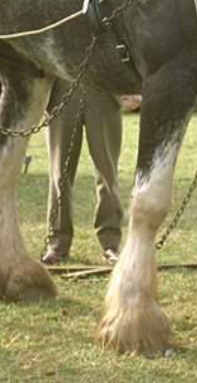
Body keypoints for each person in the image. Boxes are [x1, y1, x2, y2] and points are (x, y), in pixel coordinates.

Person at [41, 81, 125, 266]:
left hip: (104, 89)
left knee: (108, 174)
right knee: (59, 176)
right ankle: (57, 244)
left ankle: (110, 244)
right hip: (62, 89)